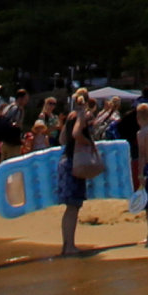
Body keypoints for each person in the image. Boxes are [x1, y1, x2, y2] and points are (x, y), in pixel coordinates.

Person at [55, 95, 98, 258]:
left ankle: (67, 245)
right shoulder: (82, 116)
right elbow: (76, 133)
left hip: (65, 161)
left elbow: (62, 139)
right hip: (75, 163)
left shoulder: (70, 116)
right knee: (73, 207)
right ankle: (70, 246)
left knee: (70, 207)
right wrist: (89, 143)